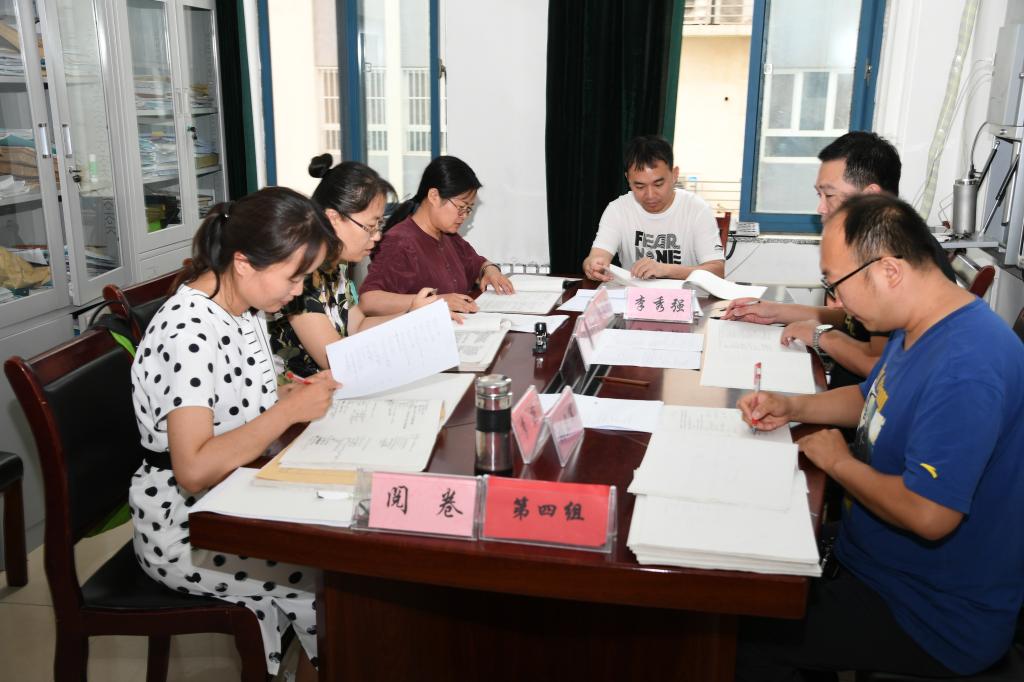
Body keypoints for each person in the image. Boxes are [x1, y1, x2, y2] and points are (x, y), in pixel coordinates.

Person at [735, 193, 1024, 680]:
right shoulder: (920, 324)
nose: (836, 302)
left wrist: (839, 462)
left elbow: (929, 514)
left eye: (837, 284)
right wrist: (794, 407)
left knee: (739, 631)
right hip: (874, 556)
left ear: (889, 271)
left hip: (930, 613)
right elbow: (873, 398)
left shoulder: (967, 367)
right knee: (743, 558)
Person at [129, 187, 341, 681]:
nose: (297, 291)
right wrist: (285, 414)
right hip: (186, 526)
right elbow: (193, 467)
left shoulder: (242, 307)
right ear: (244, 263)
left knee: (336, 552)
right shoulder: (189, 331)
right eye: (293, 277)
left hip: (234, 497)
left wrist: (289, 395)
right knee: (330, 582)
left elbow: (237, 403)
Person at [723, 131, 959, 387]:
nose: (821, 208)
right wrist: (776, 311)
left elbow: (877, 364)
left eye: (829, 195)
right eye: (819, 195)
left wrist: (820, 336)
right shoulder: (878, 242)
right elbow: (854, 322)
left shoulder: (895, 260)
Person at [268, 155, 436, 377]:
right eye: (370, 226)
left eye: (379, 225)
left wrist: (411, 315)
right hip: (302, 391)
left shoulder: (337, 266)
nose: (377, 236)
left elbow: (358, 325)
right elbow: (331, 359)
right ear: (333, 218)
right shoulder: (302, 273)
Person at [359, 155, 514, 320]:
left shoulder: (448, 236)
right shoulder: (399, 242)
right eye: (461, 207)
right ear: (434, 196)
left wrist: (490, 271)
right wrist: (437, 301)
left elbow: (478, 264)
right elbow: (369, 301)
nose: (464, 216)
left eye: (468, 209)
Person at [582, 134, 725, 282]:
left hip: (684, 294)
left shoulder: (697, 209)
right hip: (634, 294)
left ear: (674, 174)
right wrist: (592, 266)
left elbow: (718, 270)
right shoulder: (618, 209)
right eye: (640, 186)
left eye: (658, 184)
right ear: (628, 179)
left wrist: (666, 270)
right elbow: (596, 257)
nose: (650, 195)